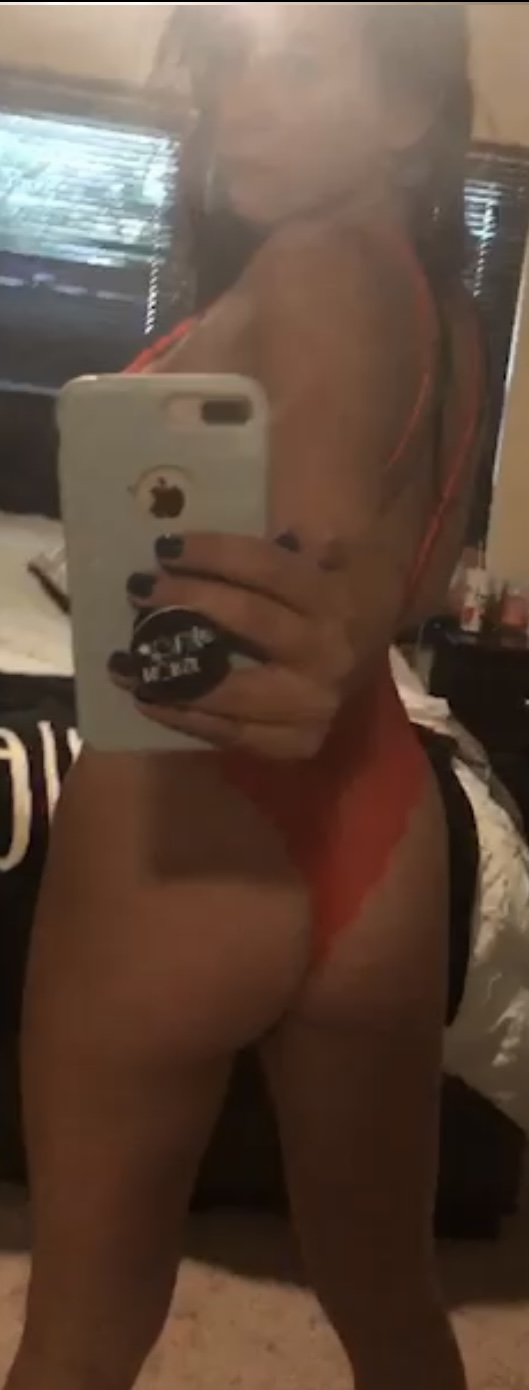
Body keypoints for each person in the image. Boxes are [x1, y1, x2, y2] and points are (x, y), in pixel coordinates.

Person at [5, 6, 484, 1390]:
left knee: (85, 1324)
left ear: (405, 111)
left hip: (187, 823)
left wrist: (298, 635)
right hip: (381, 829)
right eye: (223, 68)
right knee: (391, 1301)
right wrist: (334, 625)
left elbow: (303, 568)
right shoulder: (451, 315)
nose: (238, 101)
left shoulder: (312, 267)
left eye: (296, 64)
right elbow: (393, 576)